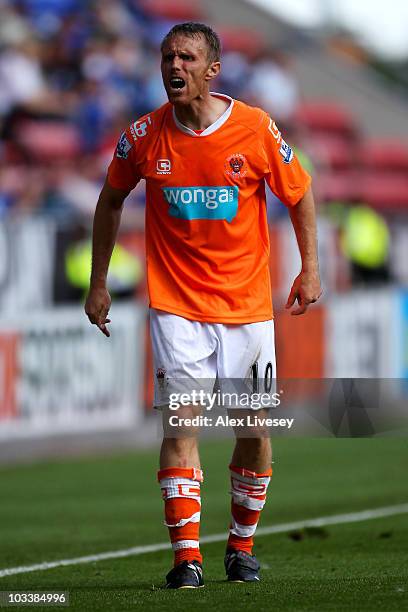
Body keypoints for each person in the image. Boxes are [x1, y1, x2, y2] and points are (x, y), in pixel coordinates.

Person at [85, 22, 322, 589]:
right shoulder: (142, 136)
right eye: (167, 56)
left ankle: (240, 548)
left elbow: (300, 192)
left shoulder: (256, 128)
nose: (174, 66)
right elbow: (110, 200)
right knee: (180, 425)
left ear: (212, 69)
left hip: (246, 308)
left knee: (253, 431)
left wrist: (310, 268)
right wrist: (98, 281)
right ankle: (186, 558)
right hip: (175, 306)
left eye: (187, 57)